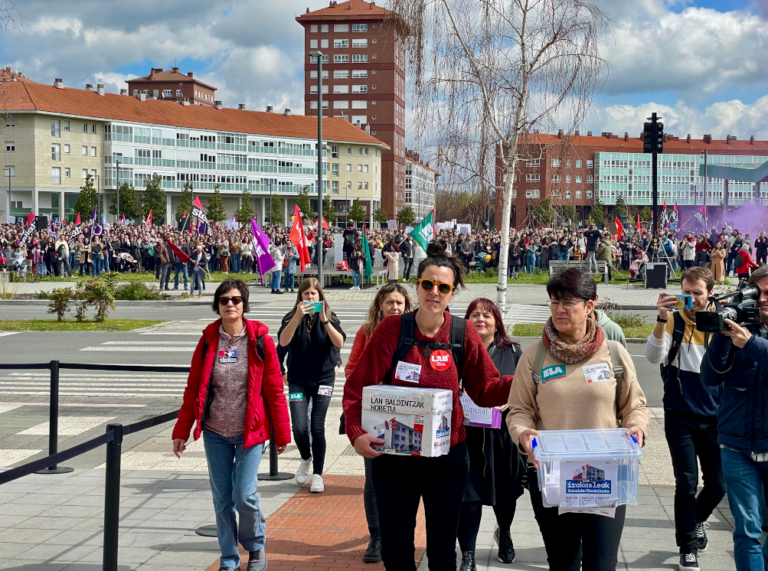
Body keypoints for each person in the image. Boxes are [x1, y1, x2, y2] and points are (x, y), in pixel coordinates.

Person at [343, 241, 513, 571]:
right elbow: (357, 388)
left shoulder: (462, 333)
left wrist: (525, 382)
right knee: (396, 551)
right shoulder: (392, 329)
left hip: (447, 460)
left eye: (443, 287)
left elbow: (485, 389)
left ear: (452, 294)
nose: (434, 292)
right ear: (417, 287)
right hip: (394, 458)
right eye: (427, 284)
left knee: (442, 552)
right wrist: (356, 433)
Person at [507, 268, 648, 571]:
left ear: (589, 305)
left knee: (602, 564)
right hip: (553, 475)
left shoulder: (614, 353)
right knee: (563, 563)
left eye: (568, 302)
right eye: (554, 302)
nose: (559, 309)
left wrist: (637, 427)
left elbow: (634, 406)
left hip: (605, 474)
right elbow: (519, 410)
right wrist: (524, 434)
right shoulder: (535, 356)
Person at [171, 278, 290, 571]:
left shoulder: (261, 341)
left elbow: (275, 390)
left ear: (244, 304)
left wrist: (282, 433)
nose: (230, 305)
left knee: (244, 495)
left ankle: (256, 546)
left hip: (250, 432)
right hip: (215, 432)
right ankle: (229, 557)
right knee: (222, 498)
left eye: (236, 299)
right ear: (218, 305)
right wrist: (181, 431)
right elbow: (193, 389)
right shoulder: (208, 341)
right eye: (224, 300)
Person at [645, 267, 725, 571]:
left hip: (717, 418)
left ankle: (697, 520)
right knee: (686, 483)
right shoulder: (674, 320)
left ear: (710, 294)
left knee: (718, 485)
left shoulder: (721, 322)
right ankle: (687, 547)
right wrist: (661, 318)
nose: (691, 298)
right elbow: (654, 357)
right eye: (686, 292)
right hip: (680, 415)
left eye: (697, 293)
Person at [700, 265, 768, 571]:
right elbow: (710, 376)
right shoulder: (741, 326)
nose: (761, 299)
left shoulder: (749, 338)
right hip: (736, 445)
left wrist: (750, 344)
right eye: (757, 292)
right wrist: (723, 336)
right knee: (747, 531)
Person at [345, 283, 413, 564]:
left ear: (407, 307)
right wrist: (375, 388)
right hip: (374, 415)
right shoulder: (367, 331)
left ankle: (399, 533)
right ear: (379, 306)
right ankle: (376, 536)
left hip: (407, 417)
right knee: (373, 478)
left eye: (399, 303)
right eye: (389, 302)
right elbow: (351, 369)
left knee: (406, 480)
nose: (395, 307)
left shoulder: (414, 332)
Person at [457, 298, 524, 571]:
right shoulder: (458, 349)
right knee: (468, 498)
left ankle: (504, 532)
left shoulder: (513, 352)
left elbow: (525, 390)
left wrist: (510, 401)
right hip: (467, 439)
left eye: (486, 315)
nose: (480, 320)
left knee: (505, 497)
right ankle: (468, 555)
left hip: (501, 437)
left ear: (497, 323)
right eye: (474, 315)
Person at [278, 278, 346, 493]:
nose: (310, 297)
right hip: (298, 381)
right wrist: (297, 317)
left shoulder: (330, 317)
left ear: (320, 297)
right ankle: (306, 458)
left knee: (317, 426)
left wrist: (325, 320)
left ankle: (317, 474)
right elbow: (282, 343)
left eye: (313, 294)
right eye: (306, 293)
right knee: (299, 427)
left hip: (323, 380)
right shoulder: (291, 317)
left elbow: (339, 343)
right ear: (300, 297)